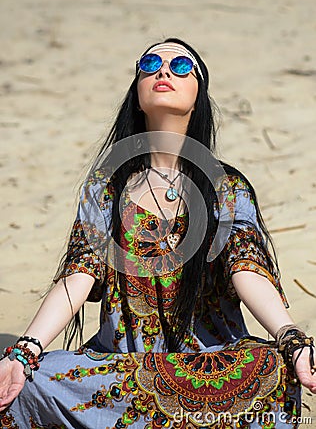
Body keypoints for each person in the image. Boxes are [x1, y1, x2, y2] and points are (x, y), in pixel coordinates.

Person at [0, 38, 315, 429]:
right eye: (150, 64)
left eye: (181, 66)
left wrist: (290, 338)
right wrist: (27, 350)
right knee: (26, 382)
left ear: (198, 97)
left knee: (272, 368)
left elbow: (246, 267)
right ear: (136, 95)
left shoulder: (226, 187)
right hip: (124, 368)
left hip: (210, 367)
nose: (163, 71)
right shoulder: (106, 188)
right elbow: (79, 274)